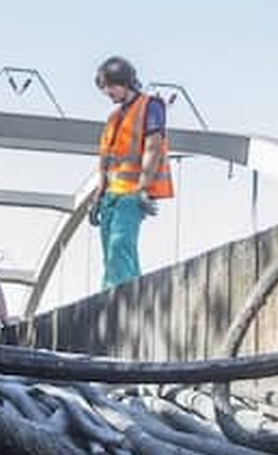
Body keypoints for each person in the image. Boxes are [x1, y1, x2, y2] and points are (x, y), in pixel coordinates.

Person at [90, 55, 174, 288]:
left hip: (131, 193)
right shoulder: (114, 118)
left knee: (120, 247)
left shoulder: (151, 106)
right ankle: (132, 298)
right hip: (109, 197)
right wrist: (98, 196)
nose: (107, 93)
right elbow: (107, 161)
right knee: (112, 254)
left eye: (109, 87)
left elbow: (153, 146)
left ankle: (115, 301)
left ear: (123, 82)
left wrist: (143, 189)